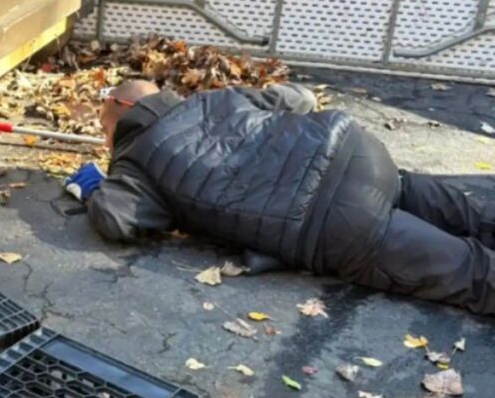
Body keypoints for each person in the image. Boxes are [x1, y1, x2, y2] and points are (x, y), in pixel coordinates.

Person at [77, 78, 495, 315]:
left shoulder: (136, 161)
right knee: (468, 217)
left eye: (103, 127)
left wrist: (95, 183)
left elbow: (116, 218)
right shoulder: (214, 98)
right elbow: (302, 98)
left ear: (120, 104)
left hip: (329, 222)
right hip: (358, 151)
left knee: (470, 272)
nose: (104, 136)